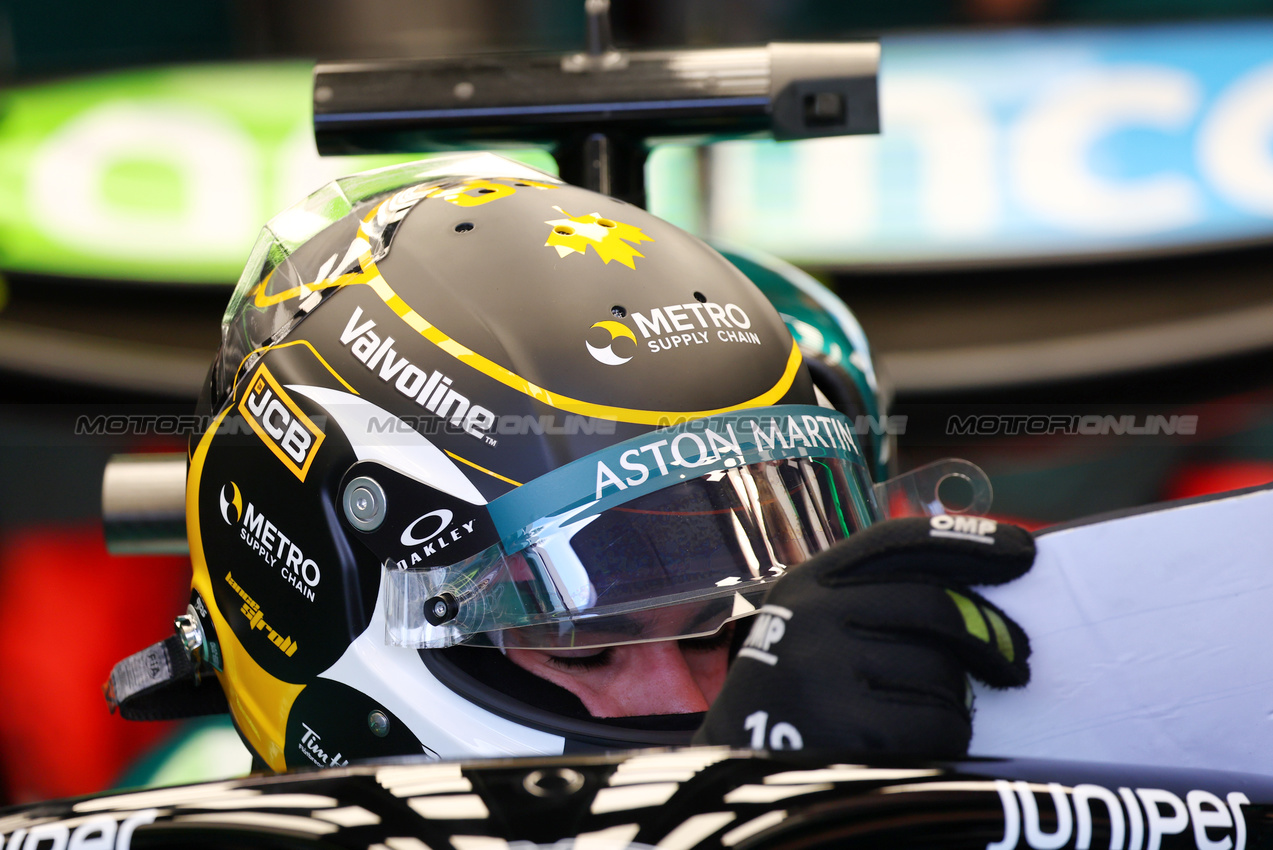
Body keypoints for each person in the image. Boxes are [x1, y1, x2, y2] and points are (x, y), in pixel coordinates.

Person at [106, 153, 1032, 771]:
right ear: (317, 589)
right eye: (582, 643)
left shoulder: (842, 727)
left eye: (728, 627)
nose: (692, 704)